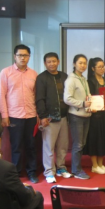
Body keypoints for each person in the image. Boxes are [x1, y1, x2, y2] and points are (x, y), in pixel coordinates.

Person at [0, 44, 39, 184]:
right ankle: (16, 173)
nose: (23, 58)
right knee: (16, 147)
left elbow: (36, 95)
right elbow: (1, 95)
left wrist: (38, 115)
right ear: (14, 56)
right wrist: (4, 115)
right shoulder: (6, 72)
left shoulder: (33, 74)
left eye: (25, 55)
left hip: (31, 115)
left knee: (31, 145)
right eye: (20, 55)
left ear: (29, 57)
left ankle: (32, 172)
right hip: (14, 115)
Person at [35, 52, 71, 184]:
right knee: (48, 146)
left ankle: (61, 167)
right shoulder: (41, 78)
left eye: (54, 61)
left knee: (63, 145)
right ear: (45, 63)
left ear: (58, 62)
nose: (52, 64)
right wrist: (43, 116)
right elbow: (39, 98)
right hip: (49, 118)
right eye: (49, 62)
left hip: (64, 116)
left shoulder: (64, 76)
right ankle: (49, 171)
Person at [64, 54, 92, 180]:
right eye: (80, 63)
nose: (83, 65)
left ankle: (77, 168)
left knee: (82, 143)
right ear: (74, 64)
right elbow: (67, 99)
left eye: (85, 63)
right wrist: (82, 104)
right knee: (78, 144)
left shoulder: (83, 79)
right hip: (76, 116)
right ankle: (76, 170)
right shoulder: (71, 79)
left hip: (86, 115)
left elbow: (87, 96)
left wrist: (91, 105)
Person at [84, 57, 105, 174]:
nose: (102, 69)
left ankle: (101, 164)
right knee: (95, 139)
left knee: (103, 138)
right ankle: (94, 165)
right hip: (95, 115)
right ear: (93, 68)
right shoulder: (89, 82)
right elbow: (89, 98)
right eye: (99, 67)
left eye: (103, 66)